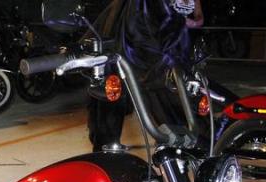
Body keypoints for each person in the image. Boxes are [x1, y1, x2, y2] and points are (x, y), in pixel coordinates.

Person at [87, 0, 204, 151]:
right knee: (118, 92)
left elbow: (197, 17)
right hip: (146, 48)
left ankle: (179, 145)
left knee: (175, 98)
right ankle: (106, 147)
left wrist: (190, 23)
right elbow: (143, 23)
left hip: (175, 46)